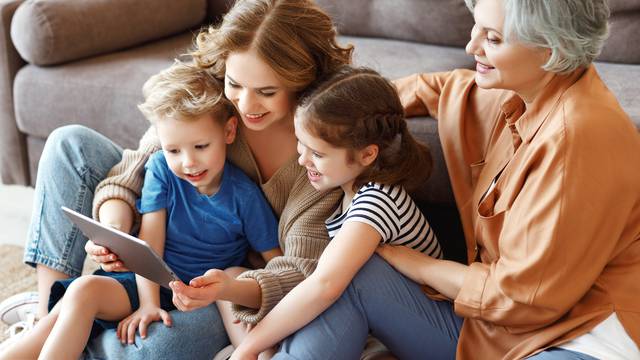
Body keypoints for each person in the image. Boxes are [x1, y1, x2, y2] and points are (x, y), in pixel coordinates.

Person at [264, 0, 640, 359]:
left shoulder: (576, 142)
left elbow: (522, 300)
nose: (470, 45)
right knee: (358, 272)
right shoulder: (525, 93)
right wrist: (342, 121)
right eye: (477, 29)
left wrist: (411, 261)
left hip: (578, 340)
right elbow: (441, 90)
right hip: (494, 330)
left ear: (550, 49)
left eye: (493, 38)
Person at [5, 0, 353, 358]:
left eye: (267, 92)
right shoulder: (211, 96)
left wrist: (228, 290)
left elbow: (295, 272)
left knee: (154, 347)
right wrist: (115, 234)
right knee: (69, 145)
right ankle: (47, 314)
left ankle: (73, 333)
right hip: (157, 261)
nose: (245, 104)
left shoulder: (322, 157)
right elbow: (139, 168)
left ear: (302, 82)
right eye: (235, 84)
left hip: (224, 286)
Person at [0, 59, 282, 359]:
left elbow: (274, 263)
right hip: (151, 282)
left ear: (228, 132)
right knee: (78, 295)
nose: (188, 162)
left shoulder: (245, 196)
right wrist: (148, 303)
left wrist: (238, 287)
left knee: (235, 281)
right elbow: (150, 247)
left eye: (201, 147)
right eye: (174, 150)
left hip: (204, 295)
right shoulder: (161, 167)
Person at [230, 66, 444, 359]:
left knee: (348, 278)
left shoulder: (378, 200)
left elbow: (325, 285)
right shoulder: (345, 193)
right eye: (301, 145)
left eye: (317, 154)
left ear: (368, 154)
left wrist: (249, 347)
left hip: (443, 337)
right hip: (388, 326)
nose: (303, 160)